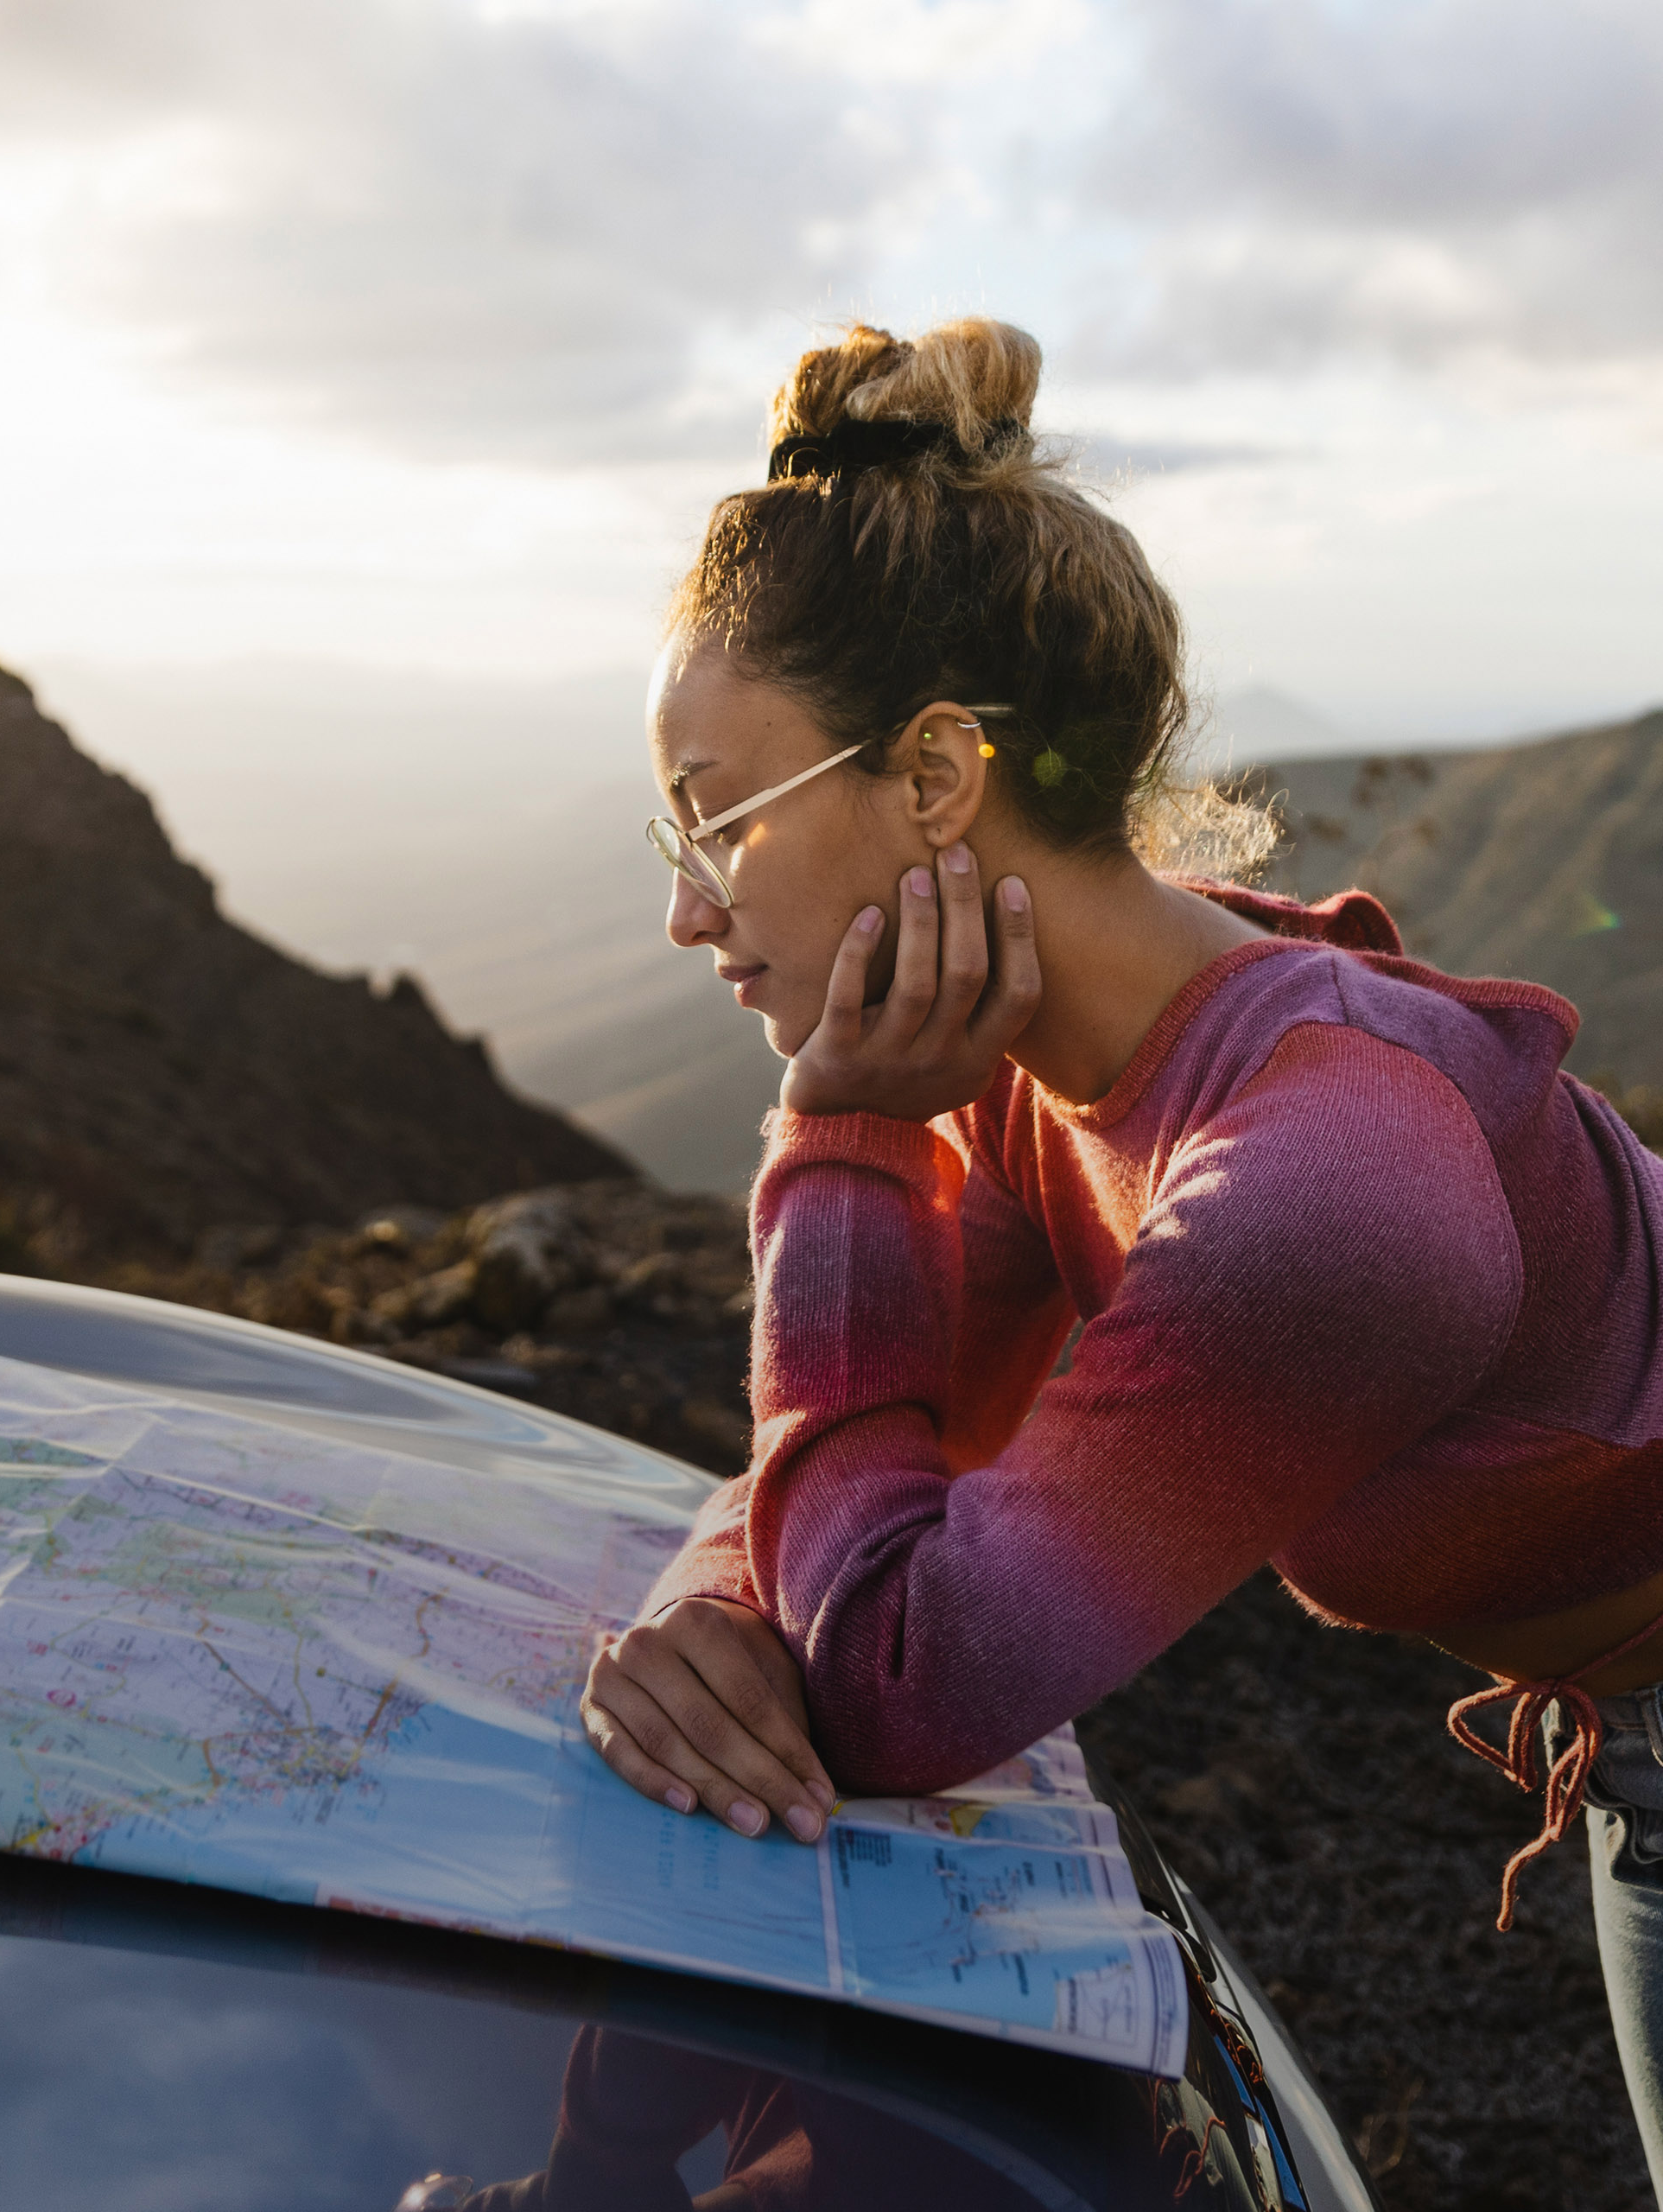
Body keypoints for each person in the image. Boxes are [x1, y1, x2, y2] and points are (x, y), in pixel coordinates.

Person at [573, 315, 1663, 2190]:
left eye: (709, 817)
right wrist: (715, 1618)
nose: (684, 911)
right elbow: (841, 1495)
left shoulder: (1325, 1175)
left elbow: (911, 1673)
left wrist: (837, 1134)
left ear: (933, 775)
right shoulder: (1038, 1075)